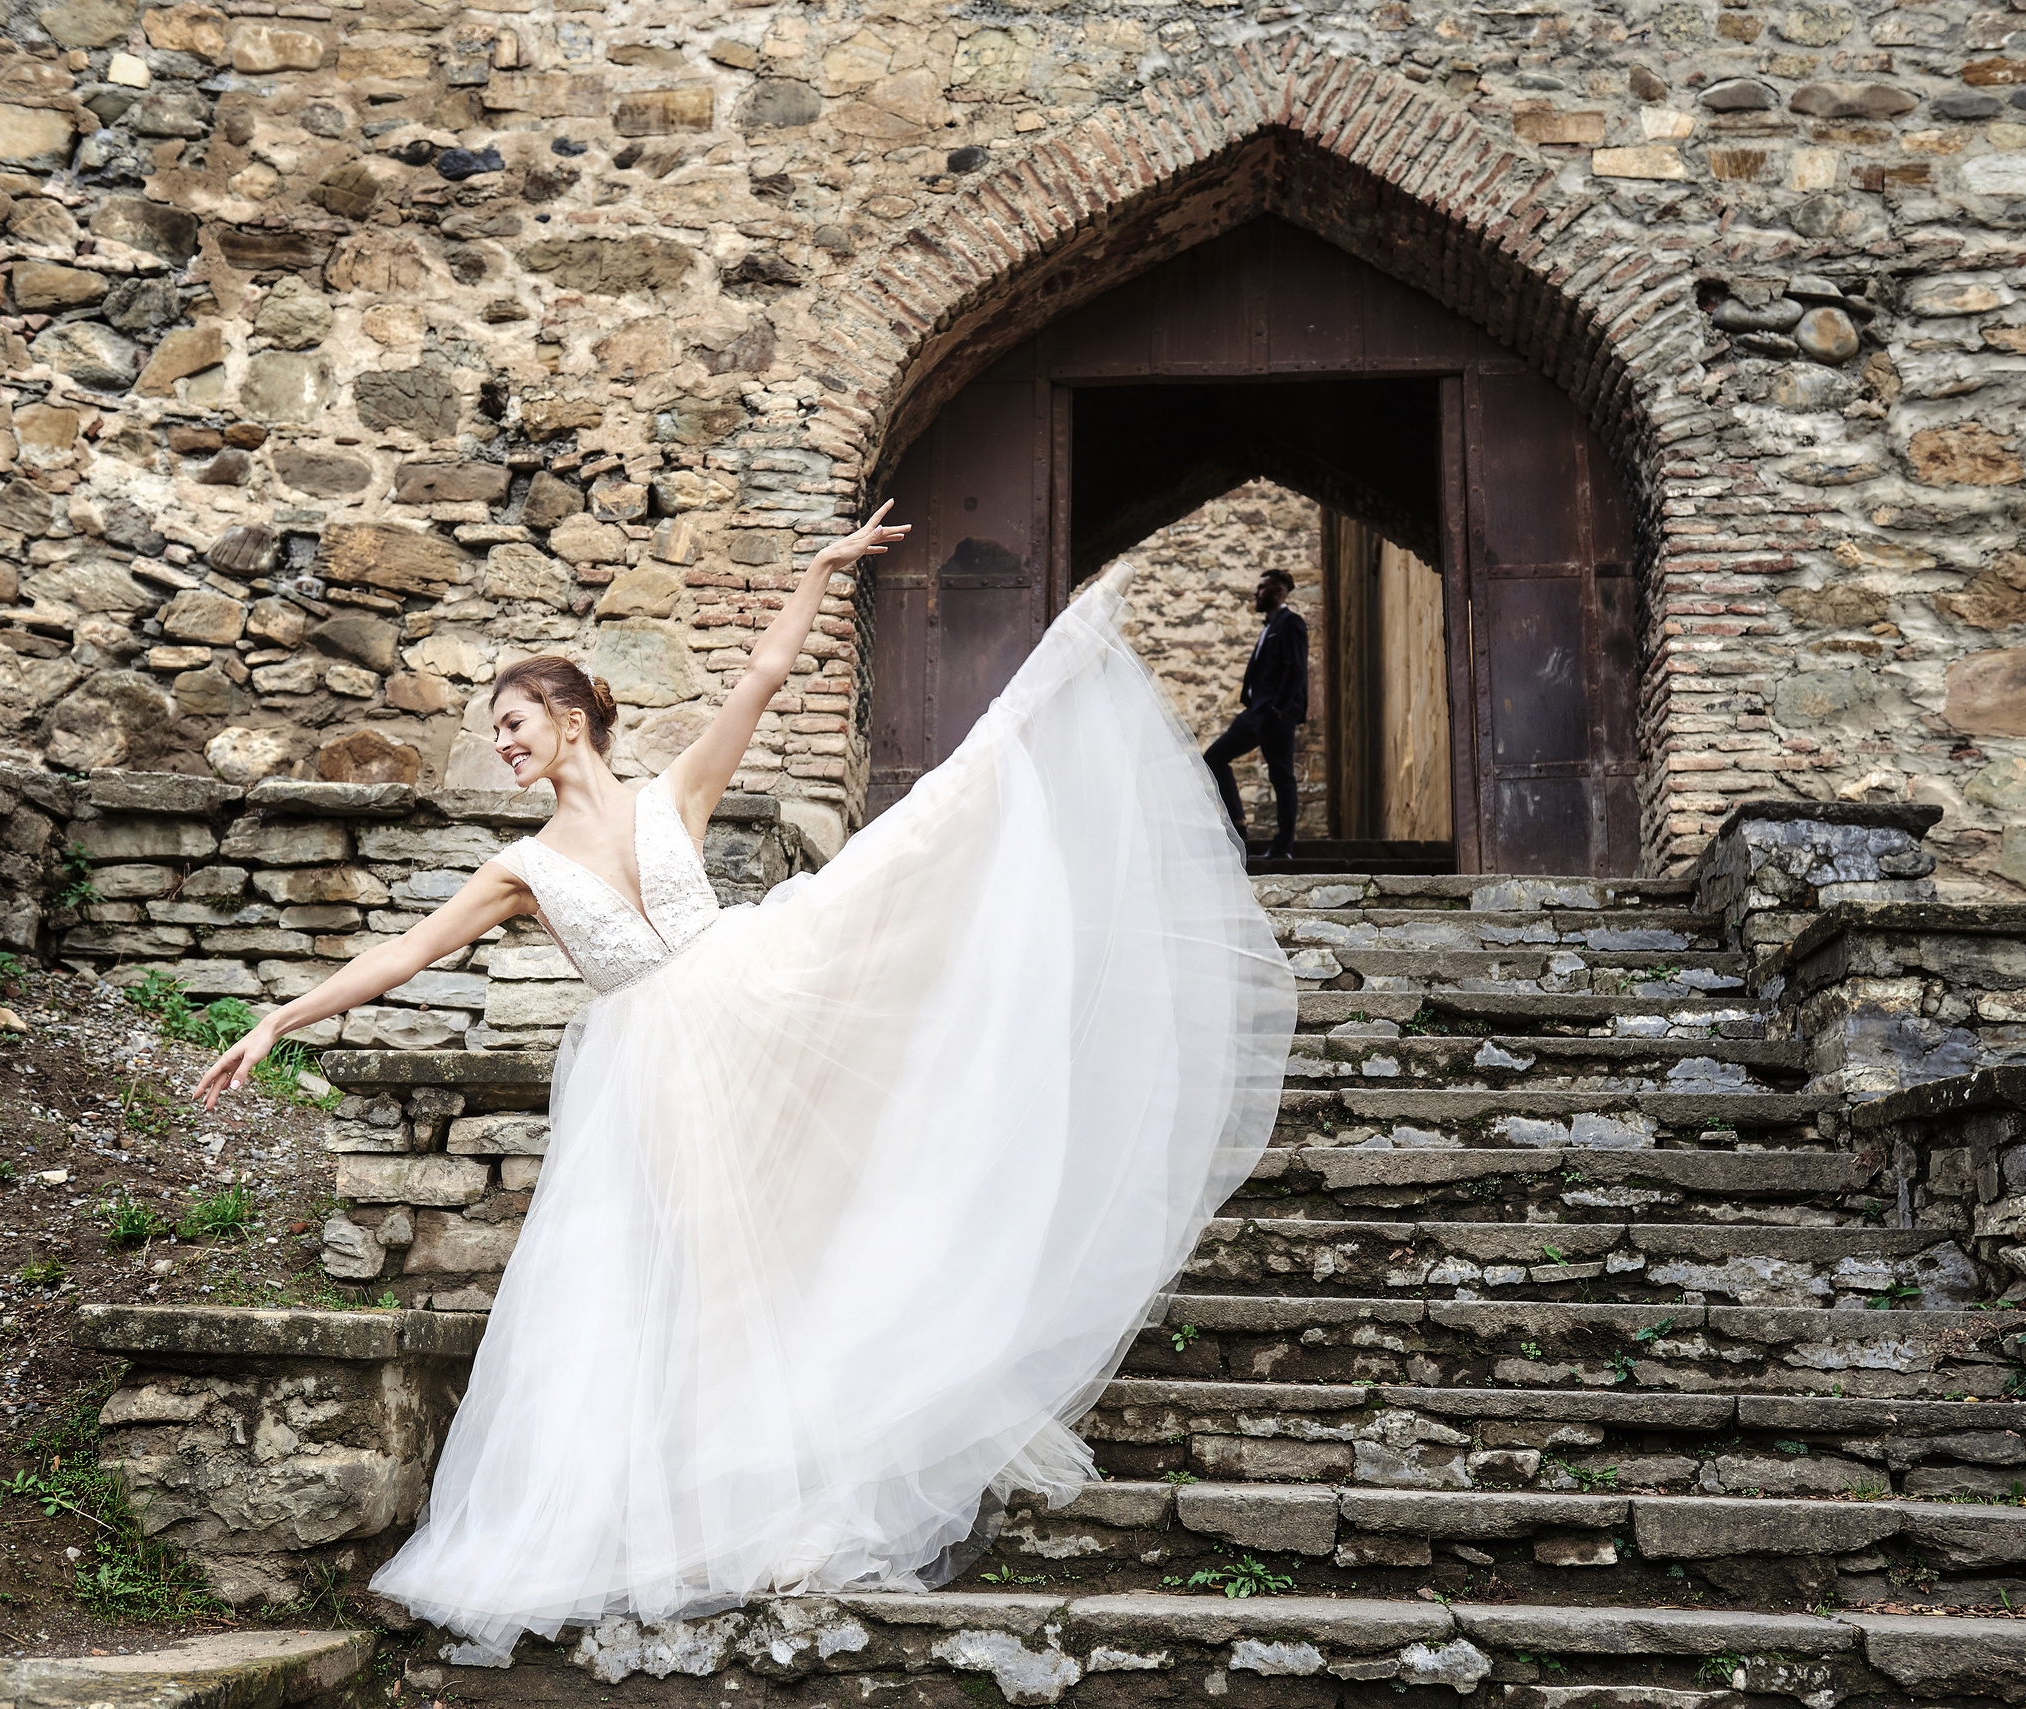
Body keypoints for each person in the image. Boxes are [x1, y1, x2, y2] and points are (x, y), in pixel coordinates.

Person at [190, 503, 1294, 1662]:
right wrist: (280, 1014)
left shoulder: (675, 794)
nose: (505, 745)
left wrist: (818, 569)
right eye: (499, 731)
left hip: (756, 1004)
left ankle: (811, 1467)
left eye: (515, 723)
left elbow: (765, 676)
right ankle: (706, 1494)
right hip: (651, 1074)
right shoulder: (516, 867)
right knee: (699, 1273)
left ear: (572, 720)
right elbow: (401, 954)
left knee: (917, 872)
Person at [1203, 567, 1309, 861]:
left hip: (1274, 714)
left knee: (1282, 776)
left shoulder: (1291, 624)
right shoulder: (1270, 626)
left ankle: (1283, 847)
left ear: (1278, 592)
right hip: (1255, 713)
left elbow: (1296, 669)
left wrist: (1279, 709)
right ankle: (1238, 822)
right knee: (1213, 757)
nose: (1255, 592)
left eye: (1262, 587)